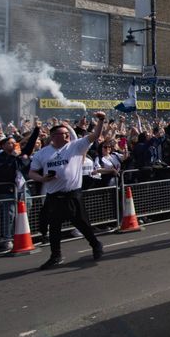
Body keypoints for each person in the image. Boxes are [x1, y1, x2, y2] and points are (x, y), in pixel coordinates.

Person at [28, 112, 107, 269]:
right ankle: (55, 256)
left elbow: (95, 135)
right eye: (63, 134)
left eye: (67, 134)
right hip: (54, 196)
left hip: (72, 195)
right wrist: (42, 179)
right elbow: (32, 172)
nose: (67, 136)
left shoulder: (75, 146)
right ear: (53, 136)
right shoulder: (42, 153)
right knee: (54, 227)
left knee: (82, 224)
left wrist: (101, 120)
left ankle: (96, 244)